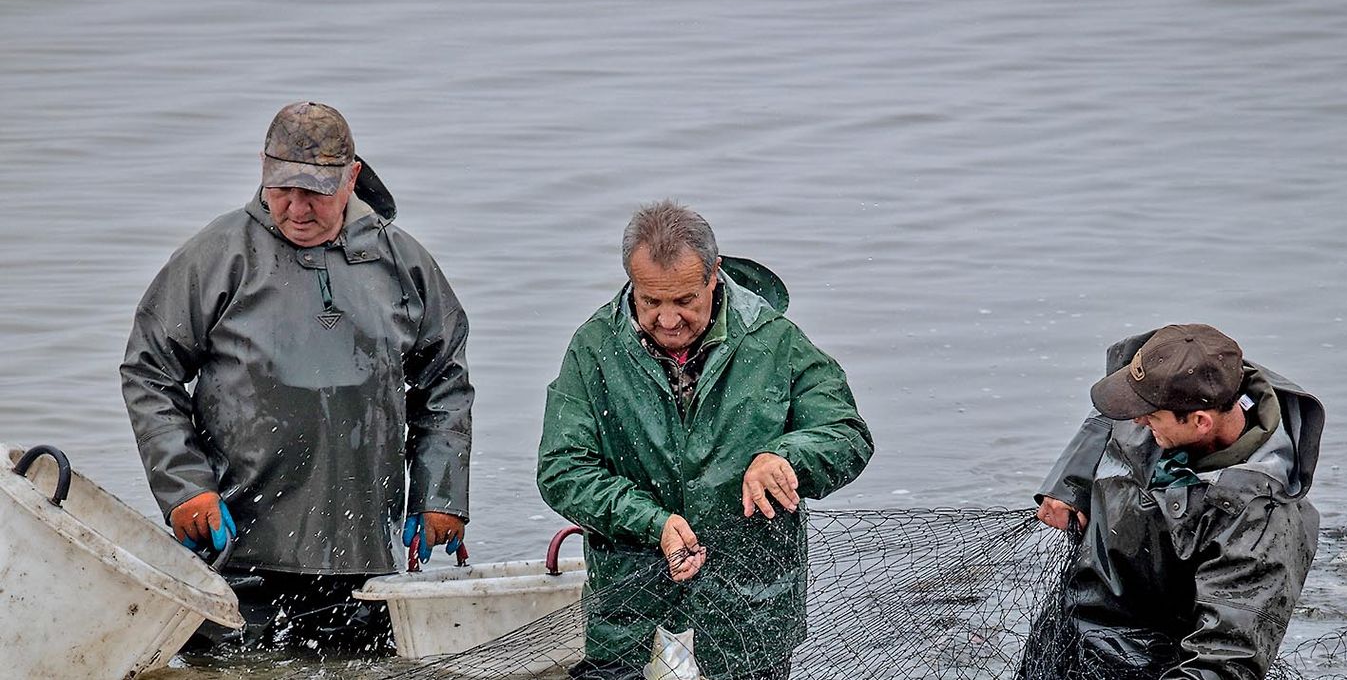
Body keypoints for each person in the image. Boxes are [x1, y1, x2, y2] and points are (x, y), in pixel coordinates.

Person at [121, 101, 473, 654]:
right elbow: (149, 372)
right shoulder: (217, 257)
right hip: (237, 548)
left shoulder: (402, 263)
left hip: (364, 553)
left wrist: (440, 494)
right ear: (262, 169)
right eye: (284, 189)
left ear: (352, 177)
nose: (298, 208)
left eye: (316, 192)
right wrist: (185, 487)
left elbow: (444, 382)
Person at [537, 201, 874, 680]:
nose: (669, 320)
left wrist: (786, 459)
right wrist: (652, 522)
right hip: (630, 612)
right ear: (631, 280)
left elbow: (847, 434)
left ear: (714, 275)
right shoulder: (595, 348)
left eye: (684, 301)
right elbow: (562, 470)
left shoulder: (774, 341)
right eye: (650, 301)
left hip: (750, 613)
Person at [1029, 324, 1324, 678]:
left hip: (1146, 665)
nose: (1135, 419)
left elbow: (1224, 661)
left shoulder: (1262, 524)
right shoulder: (1174, 373)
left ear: (1200, 422)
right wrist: (1072, 482)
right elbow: (1115, 403)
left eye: (1149, 417)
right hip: (1069, 627)